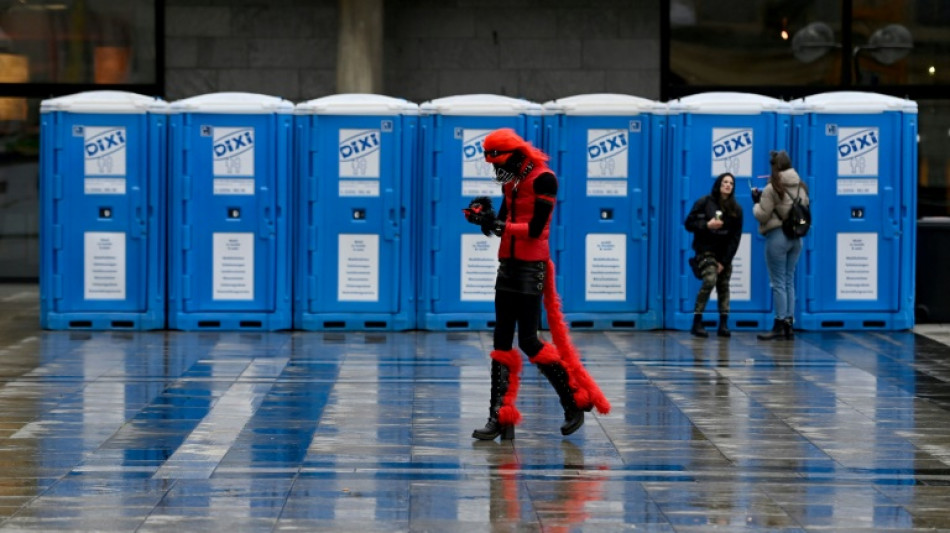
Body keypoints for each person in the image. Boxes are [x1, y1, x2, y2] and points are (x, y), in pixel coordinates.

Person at [463, 128, 610, 441]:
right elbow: (503, 226)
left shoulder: (545, 179)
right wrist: (484, 220)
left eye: (497, 163)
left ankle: (572, 402)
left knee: (529, 340)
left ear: (515, 156)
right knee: (501, 339)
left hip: (532, 267)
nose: (494, 171)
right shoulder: (511, 180)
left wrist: (499, 224)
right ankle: (500, 417)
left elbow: (535, 229)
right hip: (507, 265)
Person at [752, 150, 809, 340]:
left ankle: (778, 324)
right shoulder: (801, 187)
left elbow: (762, 214)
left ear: (775, 166)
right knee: (789, 281)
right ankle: (789, 325)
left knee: (778, 282)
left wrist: (755, 203)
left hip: (778, 237)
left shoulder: (772, 188)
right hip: (796, 239)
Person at [684, 172, 743, 338]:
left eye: (731, 183)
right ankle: (697, 321)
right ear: (719, 184)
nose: (728, 185)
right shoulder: (704, 202)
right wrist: (706, 225)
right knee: (710, 280)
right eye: (725, 182)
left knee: (723, 285)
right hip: (705, 251)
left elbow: (735, 238)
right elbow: (689, 223)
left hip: (723, 254)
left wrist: (724, 261)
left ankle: (723, 324)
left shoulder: (736, 210)